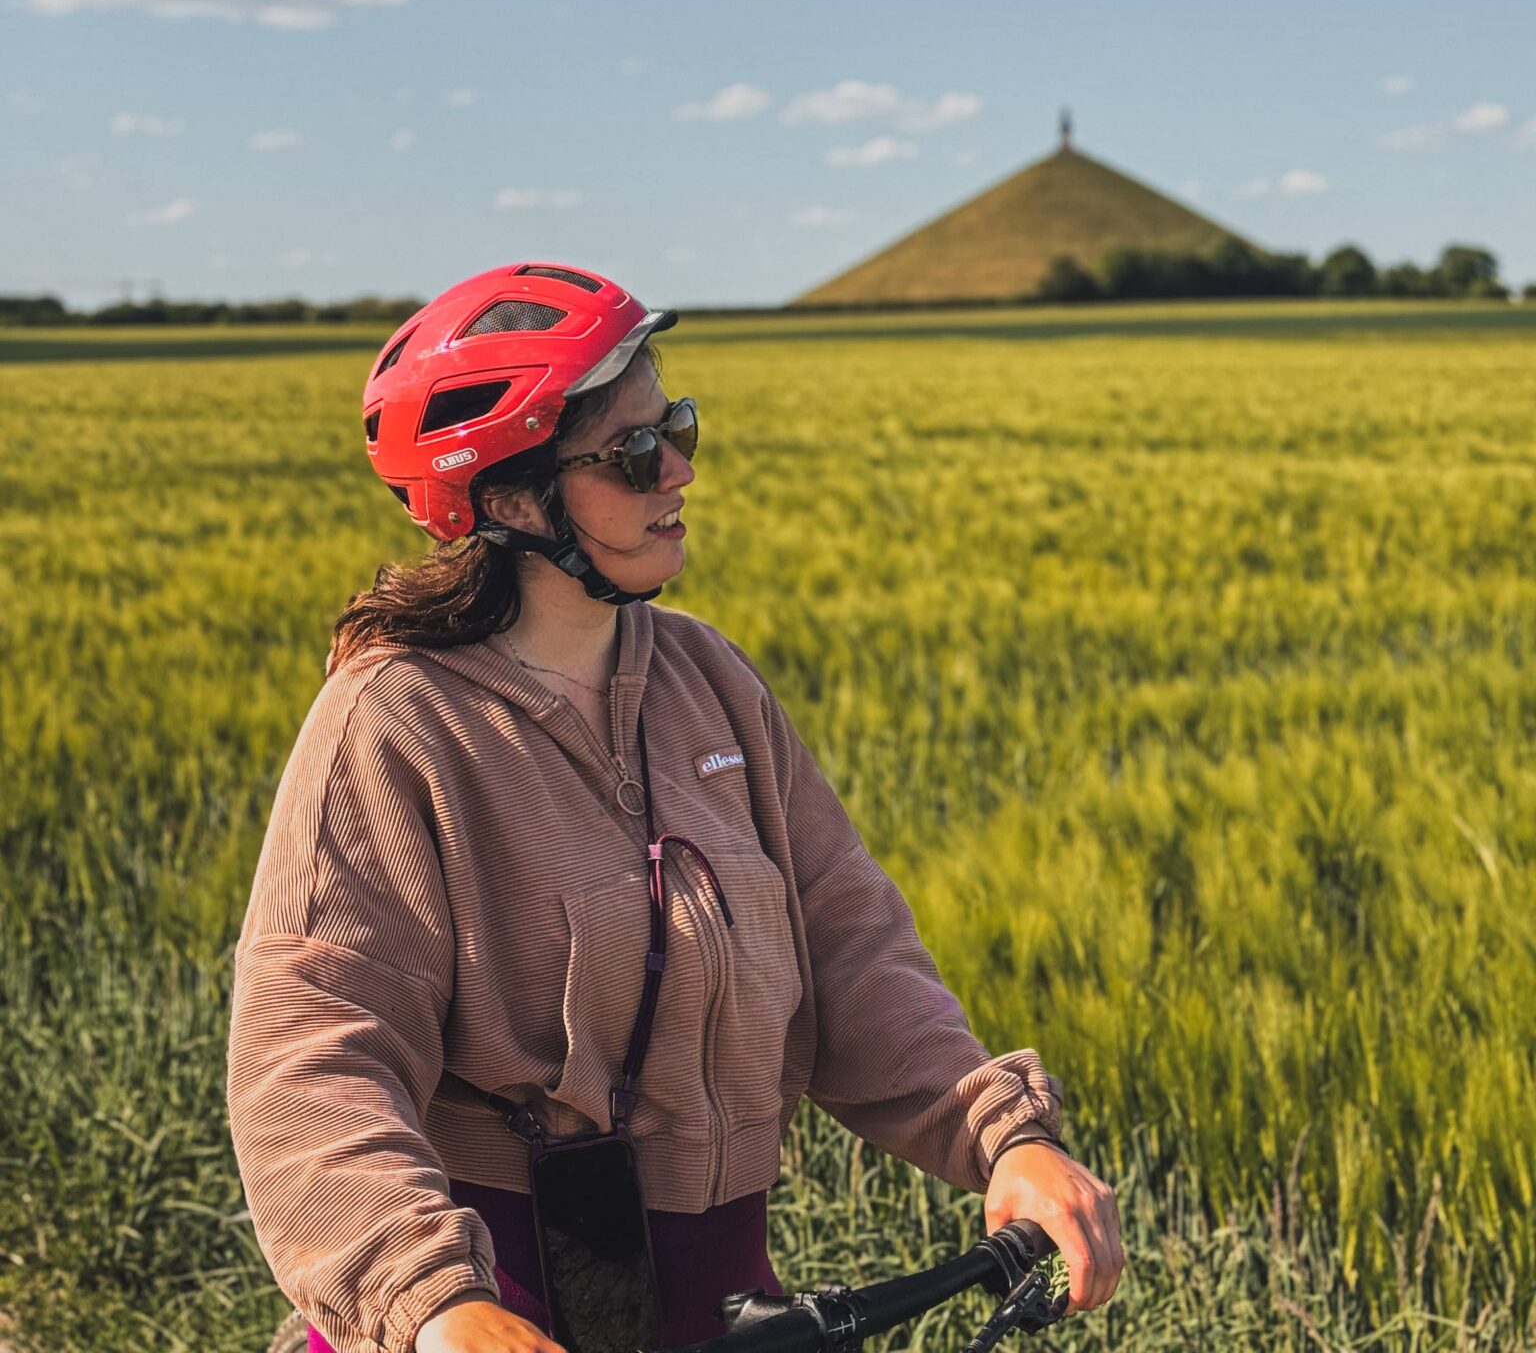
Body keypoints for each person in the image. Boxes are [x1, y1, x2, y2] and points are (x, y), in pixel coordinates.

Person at [226, 263, 1122, 1353]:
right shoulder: (398, 724)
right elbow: (314, 1056)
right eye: (637, 450)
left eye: (679, 424)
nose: (683, 467)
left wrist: (1003, 1139)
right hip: (486, 1316)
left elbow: (851, 943)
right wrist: (439, 1308)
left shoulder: (709, 678)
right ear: (511, 499)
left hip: (717, 1305)